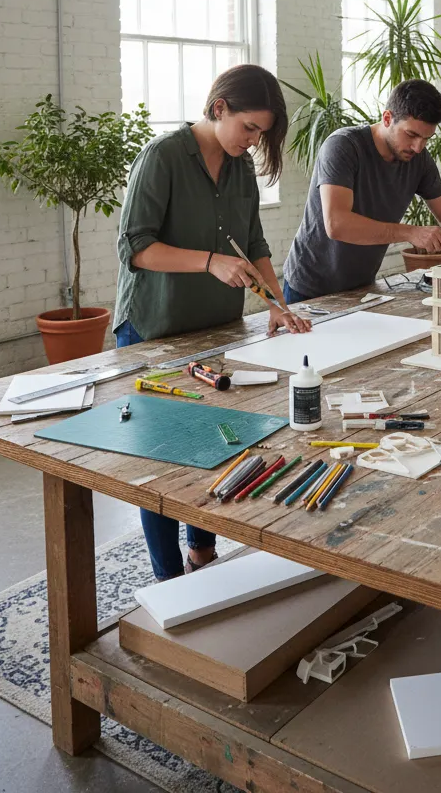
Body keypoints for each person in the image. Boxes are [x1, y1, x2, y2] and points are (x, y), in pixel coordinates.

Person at [114, 64, 310, 582]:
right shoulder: (163, 157)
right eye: (249, 127)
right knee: (160, 465)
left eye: (262, 133)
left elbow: (256, 244)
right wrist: (208, 260)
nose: (253, 140)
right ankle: (168, 579)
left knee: (213, 446)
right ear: (218, 107)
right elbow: (135, 248)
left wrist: (276, 302)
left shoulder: (240, 166)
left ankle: (202, 552)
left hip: (213, 330)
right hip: (154, 329)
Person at [283, 79, 441, 302]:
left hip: (361, 286)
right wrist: (410, 232)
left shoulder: (419, 160)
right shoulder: (343, 146)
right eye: (411, 135)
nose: (418, 147)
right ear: (387, 118)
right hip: (309, 288)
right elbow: (337, 224)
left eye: (426, 139)